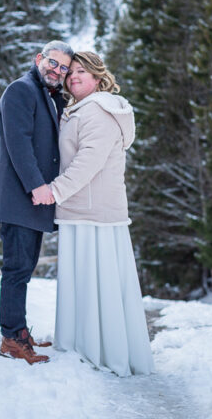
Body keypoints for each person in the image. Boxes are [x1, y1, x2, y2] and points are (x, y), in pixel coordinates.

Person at [35, 51, 154, 376]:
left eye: (82, 73)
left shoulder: (98, 110)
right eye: (71, 72)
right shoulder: (83, 109)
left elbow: (88, 161)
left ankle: (100, 351)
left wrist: (55, 190)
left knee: (95, 282)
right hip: (85, 209)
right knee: (88, 282)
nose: (73, 77)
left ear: (99, 79)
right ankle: (83, 345)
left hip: (92, 212)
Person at [0, 40, 74, 365]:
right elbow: (17, 143)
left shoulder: (48, 96)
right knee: (16, 270)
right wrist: (37, 185)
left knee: (23, 270)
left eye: (64, 68)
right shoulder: (20, 91)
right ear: (39, 59)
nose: (57, 71)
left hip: (31, 203)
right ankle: (12, 339)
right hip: (19, 198)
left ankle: (20, 332)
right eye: (53, 63)